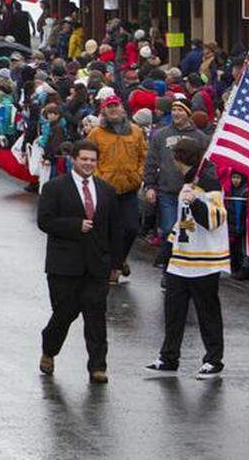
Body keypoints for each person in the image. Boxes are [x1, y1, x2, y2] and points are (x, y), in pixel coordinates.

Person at [145, 138, 227, 379]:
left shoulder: (208, 182)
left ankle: (214, 359)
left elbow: (215, 220)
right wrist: (167, 249)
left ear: (178, 158)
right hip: (181, 260)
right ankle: (169, 357)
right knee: (173, 311)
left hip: (204, 260)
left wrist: (197, 204)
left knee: (207, 312)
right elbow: (182, 222)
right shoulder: (188, 182)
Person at [36, 140, 116, 384]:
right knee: (64, 314)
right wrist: (74, 225)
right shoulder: (54, 188)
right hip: (64, 266)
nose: (89, 163)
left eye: (93, 160)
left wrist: (115, 262)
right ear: (73, 159)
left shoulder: (106, 190)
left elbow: (115, 229)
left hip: (96, 266)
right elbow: (45, 222)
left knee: (96, 317)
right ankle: (49, 349)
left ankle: (97, 367)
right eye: (84, 159)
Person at [87, 95, 147, 285]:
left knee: (130, 228)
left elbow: (144, 156)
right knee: (105, 230)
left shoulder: (136, 132)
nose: (113, 109)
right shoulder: (96, 133)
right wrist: (98, 178)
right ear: (103, 110)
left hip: (129, 187)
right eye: (109, 106)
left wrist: (138, 175)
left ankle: (119, 260)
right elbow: (88, 157)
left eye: (116, 106)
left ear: (122, 108)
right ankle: (113, 266)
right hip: (104, 189)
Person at [143, 98, 207, 270]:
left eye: (180, 110)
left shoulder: (200, 138)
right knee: (169, 229)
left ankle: (186, 270)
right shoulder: (160, 135)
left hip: (192, 194)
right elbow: (151, 161)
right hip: (168, 192)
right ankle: (169, 270)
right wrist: (149, 185)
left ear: (188, 113)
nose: (176, 113)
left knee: (189, 233)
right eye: (174, 110)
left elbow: (206, 164)